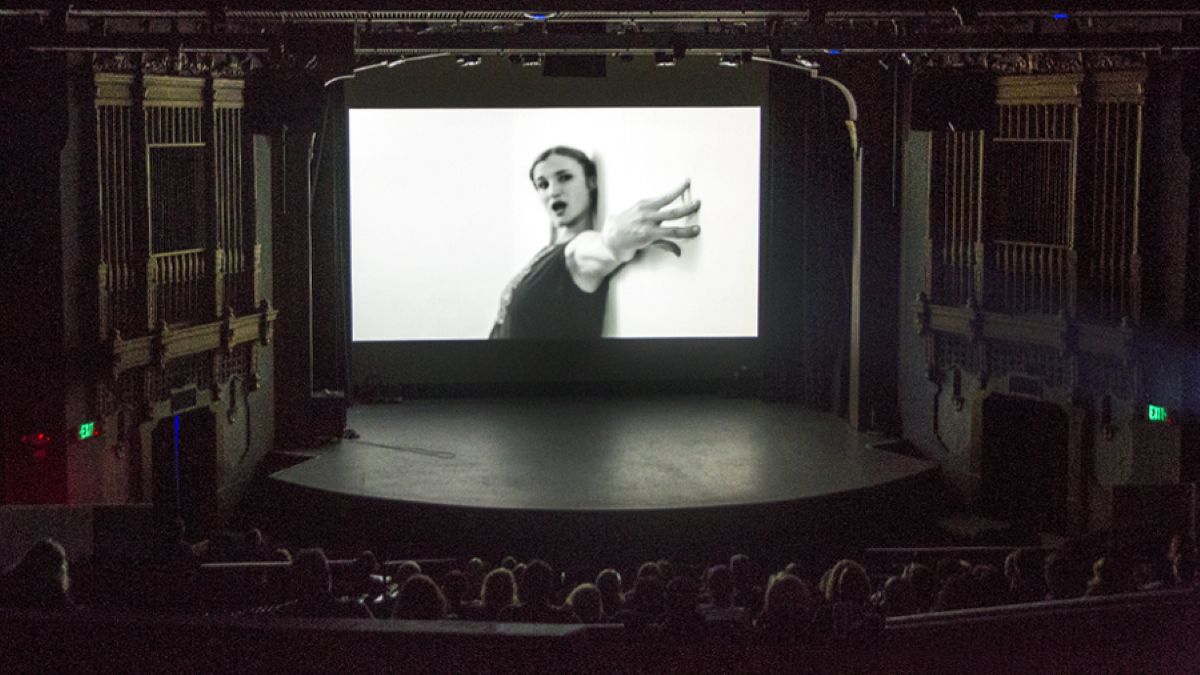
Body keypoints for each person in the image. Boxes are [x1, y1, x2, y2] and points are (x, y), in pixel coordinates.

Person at [490, 146, 701, 339]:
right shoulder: (544, 255)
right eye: (542, 184)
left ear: (591, 181)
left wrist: (613, 240)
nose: (553, 191)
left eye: (564, 177)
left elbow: (599, 249)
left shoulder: (577, 251)